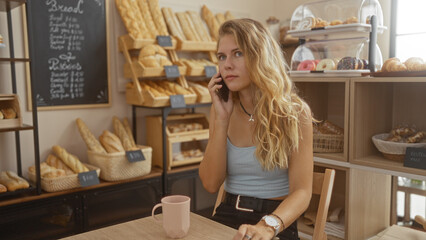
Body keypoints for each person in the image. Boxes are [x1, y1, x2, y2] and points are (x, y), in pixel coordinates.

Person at [199, 18, 313, 240]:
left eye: (238, 53)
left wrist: (268, 226)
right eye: (222, 57)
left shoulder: (296, 113)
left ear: (260, 56)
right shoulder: (221, 110)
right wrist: (222, 121)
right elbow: (211, 184)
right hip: (227, 214)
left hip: (276, 221)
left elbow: (302, 192)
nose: (227, 65)